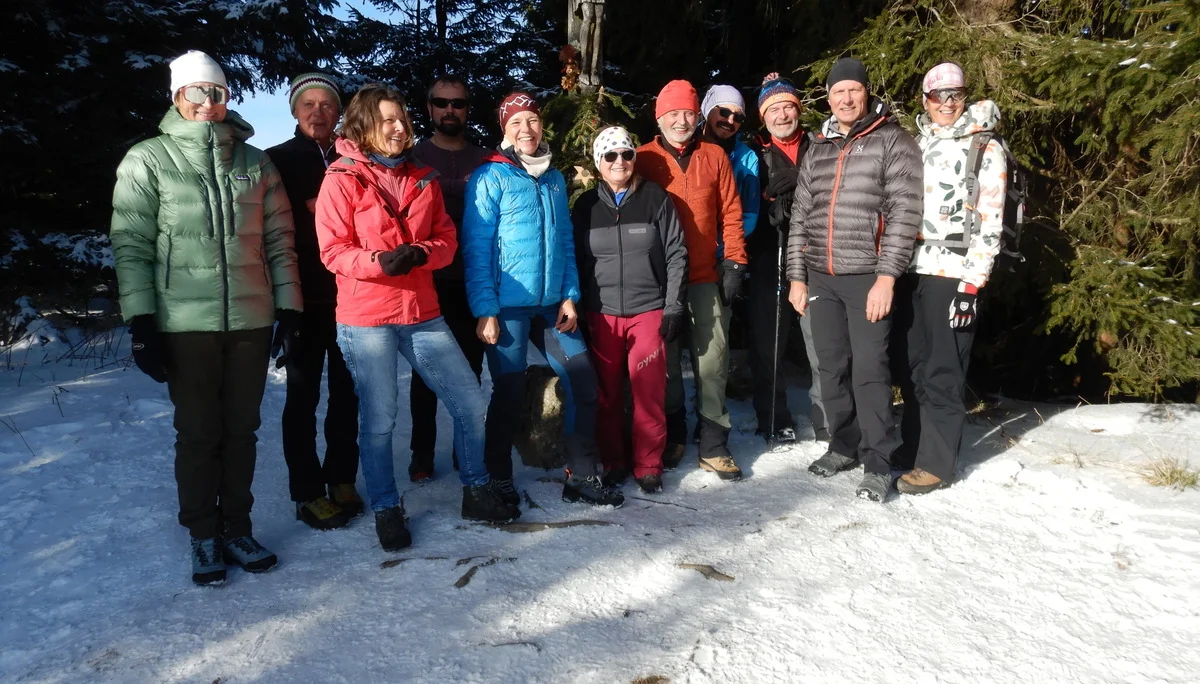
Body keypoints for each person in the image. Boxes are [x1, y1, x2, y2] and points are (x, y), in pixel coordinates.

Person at [111, 50, 301, 585]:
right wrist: (142, 320)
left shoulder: (255, 162)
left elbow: (280, 240)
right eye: (196, 92)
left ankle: (236, 527)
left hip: (250, 320)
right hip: (183, 324)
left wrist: (288, 305)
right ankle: (202, 534)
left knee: (242, 431)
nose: (206, 102)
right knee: (198, 433)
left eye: (216, 92)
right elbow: (131, 244)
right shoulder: (147, 159)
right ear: (177, 97)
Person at [316, 84, 519, 553]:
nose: (397, 127)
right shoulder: (342, 178)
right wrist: (378, 262)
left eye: (401, 118)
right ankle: (387, 508)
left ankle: (476, 489)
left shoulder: (422, 175)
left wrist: (420, 254)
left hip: (422, 312)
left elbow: (447, 238)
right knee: (381, 417)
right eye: (386, 119)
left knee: (470, 403)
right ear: (364, 125)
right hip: (367, 317)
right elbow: (333, 250)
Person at [462, 92, 623, 508]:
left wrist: (570, 296)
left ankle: (582, 474)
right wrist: (486, 310)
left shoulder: (552, 177)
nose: (526, 129)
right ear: (505, 130)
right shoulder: (490, 177)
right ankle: (498, 477)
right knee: (510, 391)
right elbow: (476, 250)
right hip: (507, 306)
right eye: (516, 123)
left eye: (532, 120)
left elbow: (565, 242)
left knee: (583, 381)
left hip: (553, 305)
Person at [785, 57, 922, 502]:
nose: (845, 98)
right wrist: (797, 277)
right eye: (837, 91)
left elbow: (905, 213)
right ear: (828, 97)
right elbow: (800, 216)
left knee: (870, 371)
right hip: (820, 277)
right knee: (831, 368)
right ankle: (843, 444)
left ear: (866, 93)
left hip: (867, 276)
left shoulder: (892, 141)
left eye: (853, 90)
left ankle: (879, 461)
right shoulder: (819, 146)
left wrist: (887, 277)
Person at [893, 63, 1008, 495]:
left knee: (943, 368)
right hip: (911, 269)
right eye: (938, 96)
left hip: (954, 272)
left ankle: (937, 463)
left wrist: (973, 284)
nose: (947, 104)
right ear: (925, 100)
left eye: (955, 95)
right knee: (913, 365)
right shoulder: (917, 142)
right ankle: (913, 448)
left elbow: (991, 222)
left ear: (965, 97)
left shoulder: (984, 147)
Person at [635, 79, 748, 480]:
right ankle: (674, 432)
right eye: (672, 114)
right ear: (659, 118)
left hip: (704, 275)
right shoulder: (643, 158)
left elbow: (731, 212)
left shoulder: (714, 155)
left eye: (687, 113)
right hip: (657, 283)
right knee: (664, 364)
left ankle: (714, 442)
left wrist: (735, 262)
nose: (680, 121)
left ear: (697, 115)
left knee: (713, 360)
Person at [266, 72, 362, 532]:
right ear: (295, 111)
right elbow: (268, 230)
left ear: (339, 112)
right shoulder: (277, 161)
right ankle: (306, 491)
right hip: (301, 297)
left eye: (328, 105)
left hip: (353, 298)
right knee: (302, 397)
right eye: (310, 105)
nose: (319, 112)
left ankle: (342, 477)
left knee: (348, 394)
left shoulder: (354, 157)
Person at [572, 126, 688, 494]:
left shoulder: (655, 198)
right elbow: (572, 259)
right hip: (601, 313)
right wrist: (575, 306)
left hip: (648, 310)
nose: (620, 161)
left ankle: (648, 464)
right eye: (610, 155)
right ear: (598, 164)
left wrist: (672, 306)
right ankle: (614, 461)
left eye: (626, 154)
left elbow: (676, 253)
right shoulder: (585, 207)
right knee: (606, 394)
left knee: (648, 390)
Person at [406, 75, 488, 482]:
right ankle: (421, 451)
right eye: (442, 103)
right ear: (430, 109)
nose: (450, 110)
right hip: (428, 280)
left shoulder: (486, 158)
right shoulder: (413, 157)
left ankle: (464, 447)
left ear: (467, 109)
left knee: (470, 370)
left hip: (473, 279)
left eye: (458, 103)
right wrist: (457, 187)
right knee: (426, 372)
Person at [747, 74, 826, 443]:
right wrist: (768, 205)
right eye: (773, 109)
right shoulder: (755, 152)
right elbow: (741, 204)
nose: (782, 115)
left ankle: (829, 418)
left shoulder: (819, 145)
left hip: (819, 256)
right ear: (764, 116)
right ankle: (774, 417)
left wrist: (799, 178)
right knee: (770, 343)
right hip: (771, 254)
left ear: (798, 109)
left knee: (824, 343)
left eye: (787, 107)